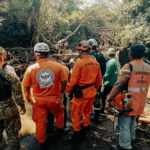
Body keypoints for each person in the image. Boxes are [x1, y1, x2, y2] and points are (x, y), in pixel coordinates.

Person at [22, 43, 67, 150]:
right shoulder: (58, 66)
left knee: (40, 122)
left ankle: (42, 142)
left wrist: (28, 98)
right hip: (54, 99)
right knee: (60, 114)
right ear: (48, 54)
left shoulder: (31, 68)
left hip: (38, 101)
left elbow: (26, 86)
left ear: (36, 54)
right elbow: (64, 82)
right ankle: (60, 131)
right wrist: (61, 92)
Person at [105, 43, 150, 150]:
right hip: (140, 101)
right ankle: (131, 140)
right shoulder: (148, 67)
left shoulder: (129, 66)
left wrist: (109, 99)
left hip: (127, 102)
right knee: (132, 122)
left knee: (124, 124)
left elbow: (119, 84)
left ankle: (125, 146)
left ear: (130, 54)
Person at [66, 41, 102, 141]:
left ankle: (76, 133)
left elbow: (73, 80)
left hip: (81, 94)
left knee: (76, 113)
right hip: (92, 92)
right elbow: (99, 79)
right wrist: (96, 89)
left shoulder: (79, 63)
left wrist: (68, 91)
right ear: (89, 50)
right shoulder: (96, 63)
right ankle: (85, 129)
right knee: (87, 111)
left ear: (80, 51)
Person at [0, 48, 26, 150]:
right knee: (12, 135)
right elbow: (18, 94)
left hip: (8, 111)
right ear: (2, 58)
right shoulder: (9, 75)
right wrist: (22, 106)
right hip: (9, 111)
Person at [46, 55, 70, 134]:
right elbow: (68, 80)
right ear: (59, 59)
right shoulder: (66, 68)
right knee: (63, 109)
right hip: (63, 91)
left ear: (52, 59)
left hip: (53, 92)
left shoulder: (51, 68)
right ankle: (63, 126)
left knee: (50, 109)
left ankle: (50, 126)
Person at [88, 39, 106, 120]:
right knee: (98, 97)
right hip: (99, 79)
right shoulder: (101, 55)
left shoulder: (91, 57)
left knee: (89, 97)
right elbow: (104, 69)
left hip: (91, 81)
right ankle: (97, 116)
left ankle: (86, 116)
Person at [101, 48, 120, 113]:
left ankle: (103, 108)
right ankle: (113, 108)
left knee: (104, 96)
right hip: (116, 82)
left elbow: (108, 73)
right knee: (113, 97)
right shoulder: (117, 62)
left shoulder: (110, 62)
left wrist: (104, 79)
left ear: (108, 54)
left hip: (109, 82)